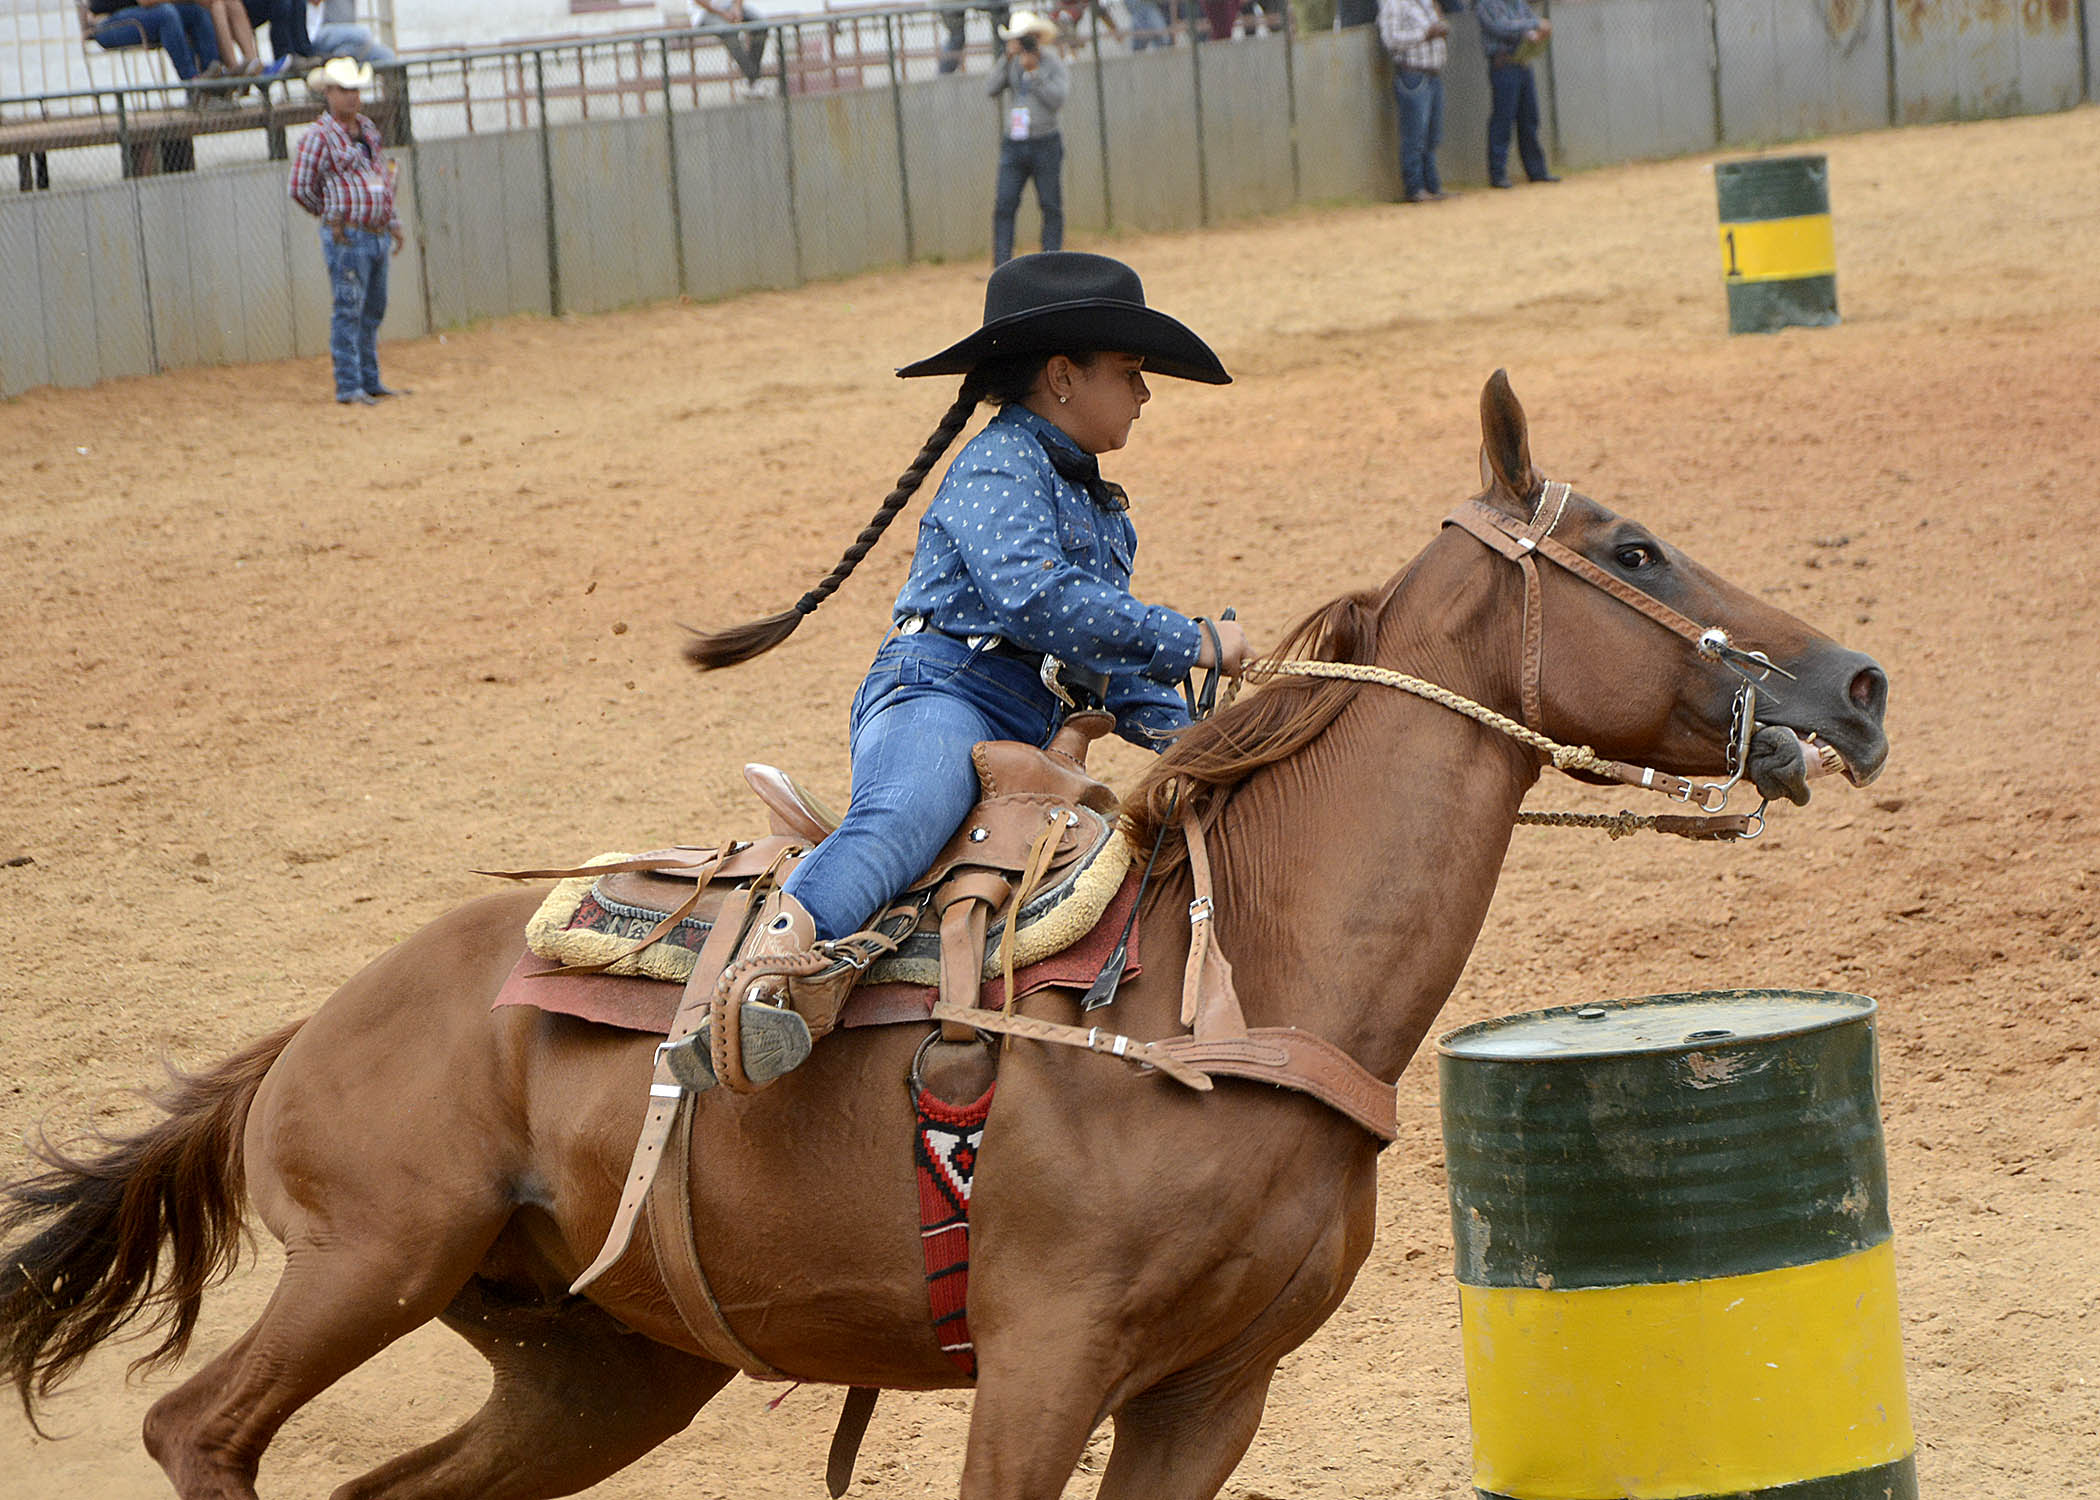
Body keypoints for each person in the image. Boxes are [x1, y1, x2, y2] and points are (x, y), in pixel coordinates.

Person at [669, 250, 1253, 1092]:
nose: (1145, 393)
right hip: (938, 694)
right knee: (909, 812)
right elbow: (1036, 600)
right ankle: (759, 983)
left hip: (1029, 730)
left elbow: (1102, 664)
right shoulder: (998, 462)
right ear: (1061, 376)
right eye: (1129, 372)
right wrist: (1192, 638)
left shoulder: (1098, 509)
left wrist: (1203, 738)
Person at [287, 57, 407, 405]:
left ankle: (367, 381)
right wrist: (331, 214)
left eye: (355, 89)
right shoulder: (319, 136)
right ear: (328, 93)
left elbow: (381, 179)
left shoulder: (367, 130)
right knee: (350, 309)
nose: (352, 96)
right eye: (344, 89)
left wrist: (392, 222)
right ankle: (350, 385)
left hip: (373, 231)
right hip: (349, 235)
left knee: (371, 310)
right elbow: (300, 187)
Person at [986, 10, 1067, 268]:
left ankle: (1051, 263)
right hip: (1015, 145)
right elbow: (991, 88)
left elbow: (1058, 99)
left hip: (1045, 142)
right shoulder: (1011, 62)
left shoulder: (1052, 62)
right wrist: (1006, 58)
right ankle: (1001, 266)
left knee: (1050, 205)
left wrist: (1035, 73)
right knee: (1004, 204)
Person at [1475, 0, 1560, 188]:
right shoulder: (1486, 4)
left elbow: (1529, 19)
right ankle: (1498, 175)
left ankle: (1537, 171)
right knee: (1503, 120)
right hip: (1503, 64)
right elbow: (1500, 27)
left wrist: (1535, 32)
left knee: (1529, 119)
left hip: (1522, 62)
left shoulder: (1517, 2)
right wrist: (1533, 26)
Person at [1376, 0, 1449, 203]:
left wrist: (1441, 28)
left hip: (1433, 72)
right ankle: (1415, 188)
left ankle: (1433, 186)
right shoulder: (1393, 3)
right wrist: (1425, 34)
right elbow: (1390, 39)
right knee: (1414, 135)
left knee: (1432, 136)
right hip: (1413, 74)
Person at [82, 0, 222, 83]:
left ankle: (214, 80)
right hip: (106, 24)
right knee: (166, 14)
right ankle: (192, 82)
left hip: (140, 15)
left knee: (196, 12)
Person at [691, 0, 767, 90]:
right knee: (728, 31)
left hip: (730, 8)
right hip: (705, 13)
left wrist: (737, 8)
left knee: (760, 26)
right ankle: (753, 77)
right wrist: (723, 14)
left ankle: (750, 76)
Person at [303, 0, 394, 64]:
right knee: (364, 35)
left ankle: (336, 58)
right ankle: (337, 60)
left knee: (388, 56)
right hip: (318, 36)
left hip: (344, 42)